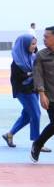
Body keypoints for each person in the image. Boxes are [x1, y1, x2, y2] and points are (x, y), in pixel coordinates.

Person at [3, 34, 47, 151]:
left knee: (27, 116)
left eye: (35, 44)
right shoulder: (17, 61)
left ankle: (9, 134)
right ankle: (37, 143)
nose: (34, 46)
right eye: (32, 44)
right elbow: (18, 79)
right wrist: (32, 73)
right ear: (24, 45)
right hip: (24, 91)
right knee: (36, 114)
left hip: (33, 89)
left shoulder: (33, 56)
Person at [31, 26, 54, 162]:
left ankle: (38, 143)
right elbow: (37, 75)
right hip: (50, 97)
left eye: (47, 36)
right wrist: (41, 94)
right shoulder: (41, 55)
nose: (43, 39)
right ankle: (38, 143)